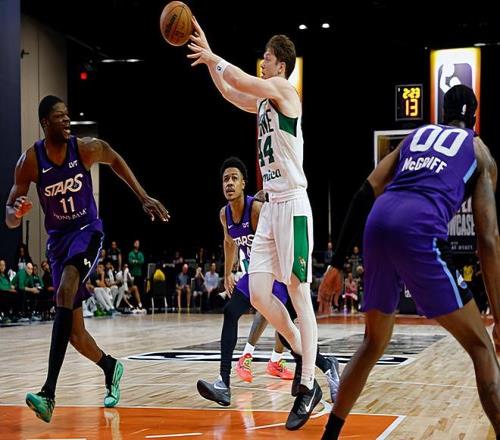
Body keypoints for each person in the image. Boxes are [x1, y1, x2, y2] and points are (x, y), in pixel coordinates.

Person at [318, 85, 500, 439]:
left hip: (378, 223)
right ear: (475, 118)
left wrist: (336, 264)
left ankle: (329, 437)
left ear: (442, 113)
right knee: (481, 348)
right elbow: (488, 238)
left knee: (373, 342)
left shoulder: (415, 136)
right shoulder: (479, 152)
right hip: (419, 228)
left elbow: (364, 193)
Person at [188, 19, 319, 430]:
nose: (262, 62)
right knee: (260, 293)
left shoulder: (284, 91)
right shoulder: (264, 102)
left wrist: (214, 56)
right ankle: (302, 352)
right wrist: (208, 58)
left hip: (293, 203)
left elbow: (242, 78)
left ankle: (308, 384)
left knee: (298, 292)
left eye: (266, 57)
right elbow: (231, 90)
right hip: (272, 205)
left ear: (280, 64)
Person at [5, 95, 169, 423]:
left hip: (87, 232)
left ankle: (48, 394)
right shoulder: (30, 161)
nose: (67, 120)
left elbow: (114, 157)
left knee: (66, 289)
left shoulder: (83, 148)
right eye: (59, 116)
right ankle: (110, 367)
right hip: (58, 242)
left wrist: (143, 197)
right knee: (75, 334)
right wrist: (16, 213)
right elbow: (9, 213)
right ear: (45, 123)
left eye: (67, 115)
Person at [197, 157, 339, 412]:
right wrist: (228, 272)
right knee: (230, 312)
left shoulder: (256, 209)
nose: (229, 183)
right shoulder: (224, 214)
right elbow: (229, 242)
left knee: (287, 331)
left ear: (244, 184)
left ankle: (325, 365)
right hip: (255, 273)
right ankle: (223, 383)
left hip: (276, 271)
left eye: (234, 178)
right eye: (225, 179)